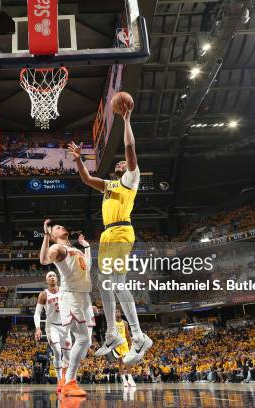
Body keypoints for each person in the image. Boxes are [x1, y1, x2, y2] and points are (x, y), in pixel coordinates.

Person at [68, 96, 151, 366]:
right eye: (118, 163)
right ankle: (113, 333)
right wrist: (79, 160)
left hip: (120, 233)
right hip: (107, 235)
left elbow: (130, 148)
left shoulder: (130, 178)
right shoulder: (109, 185)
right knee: (104, 284)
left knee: (117, 283)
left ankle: (138, 336)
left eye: (123, 163)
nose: (120, 163)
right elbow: (87, 179)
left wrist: (126, 121)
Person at [40, 219, 93, 397]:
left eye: (61, 225)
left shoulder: (75, 249)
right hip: (70, 295)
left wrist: (86, 247)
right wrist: (46, 236)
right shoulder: (58, 248)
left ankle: (64, 377)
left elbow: (88, 268)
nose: (61, 226)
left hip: (83, 296)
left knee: (87, 342)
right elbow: (44, 259)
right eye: (57, 228)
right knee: (82, 339)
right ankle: (69, 380)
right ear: (54, 236)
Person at [34, 271, 71, 393]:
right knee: (56, 350)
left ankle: (66, 380)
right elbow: (37, 313)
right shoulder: (43, 295)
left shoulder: (64, 292)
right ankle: (60, 381)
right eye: (50, 276)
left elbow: (74, 305)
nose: (52, 277)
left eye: (54, 275)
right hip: (52, 326)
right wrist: (38, 328)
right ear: (46, 280)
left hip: (65, 326)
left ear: (57, 279)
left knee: (67, 357)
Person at [112, 310, 136, 388]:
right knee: (120, 363)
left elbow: (128, 334)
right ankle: (124, 381)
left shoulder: (125, 323)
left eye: (118, 312)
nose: (117, 313)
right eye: (115, 312)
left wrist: (130, 344)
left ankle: (130, 379)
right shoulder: (112, 323)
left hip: (124, 344)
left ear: (120, 313)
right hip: (116, 344)